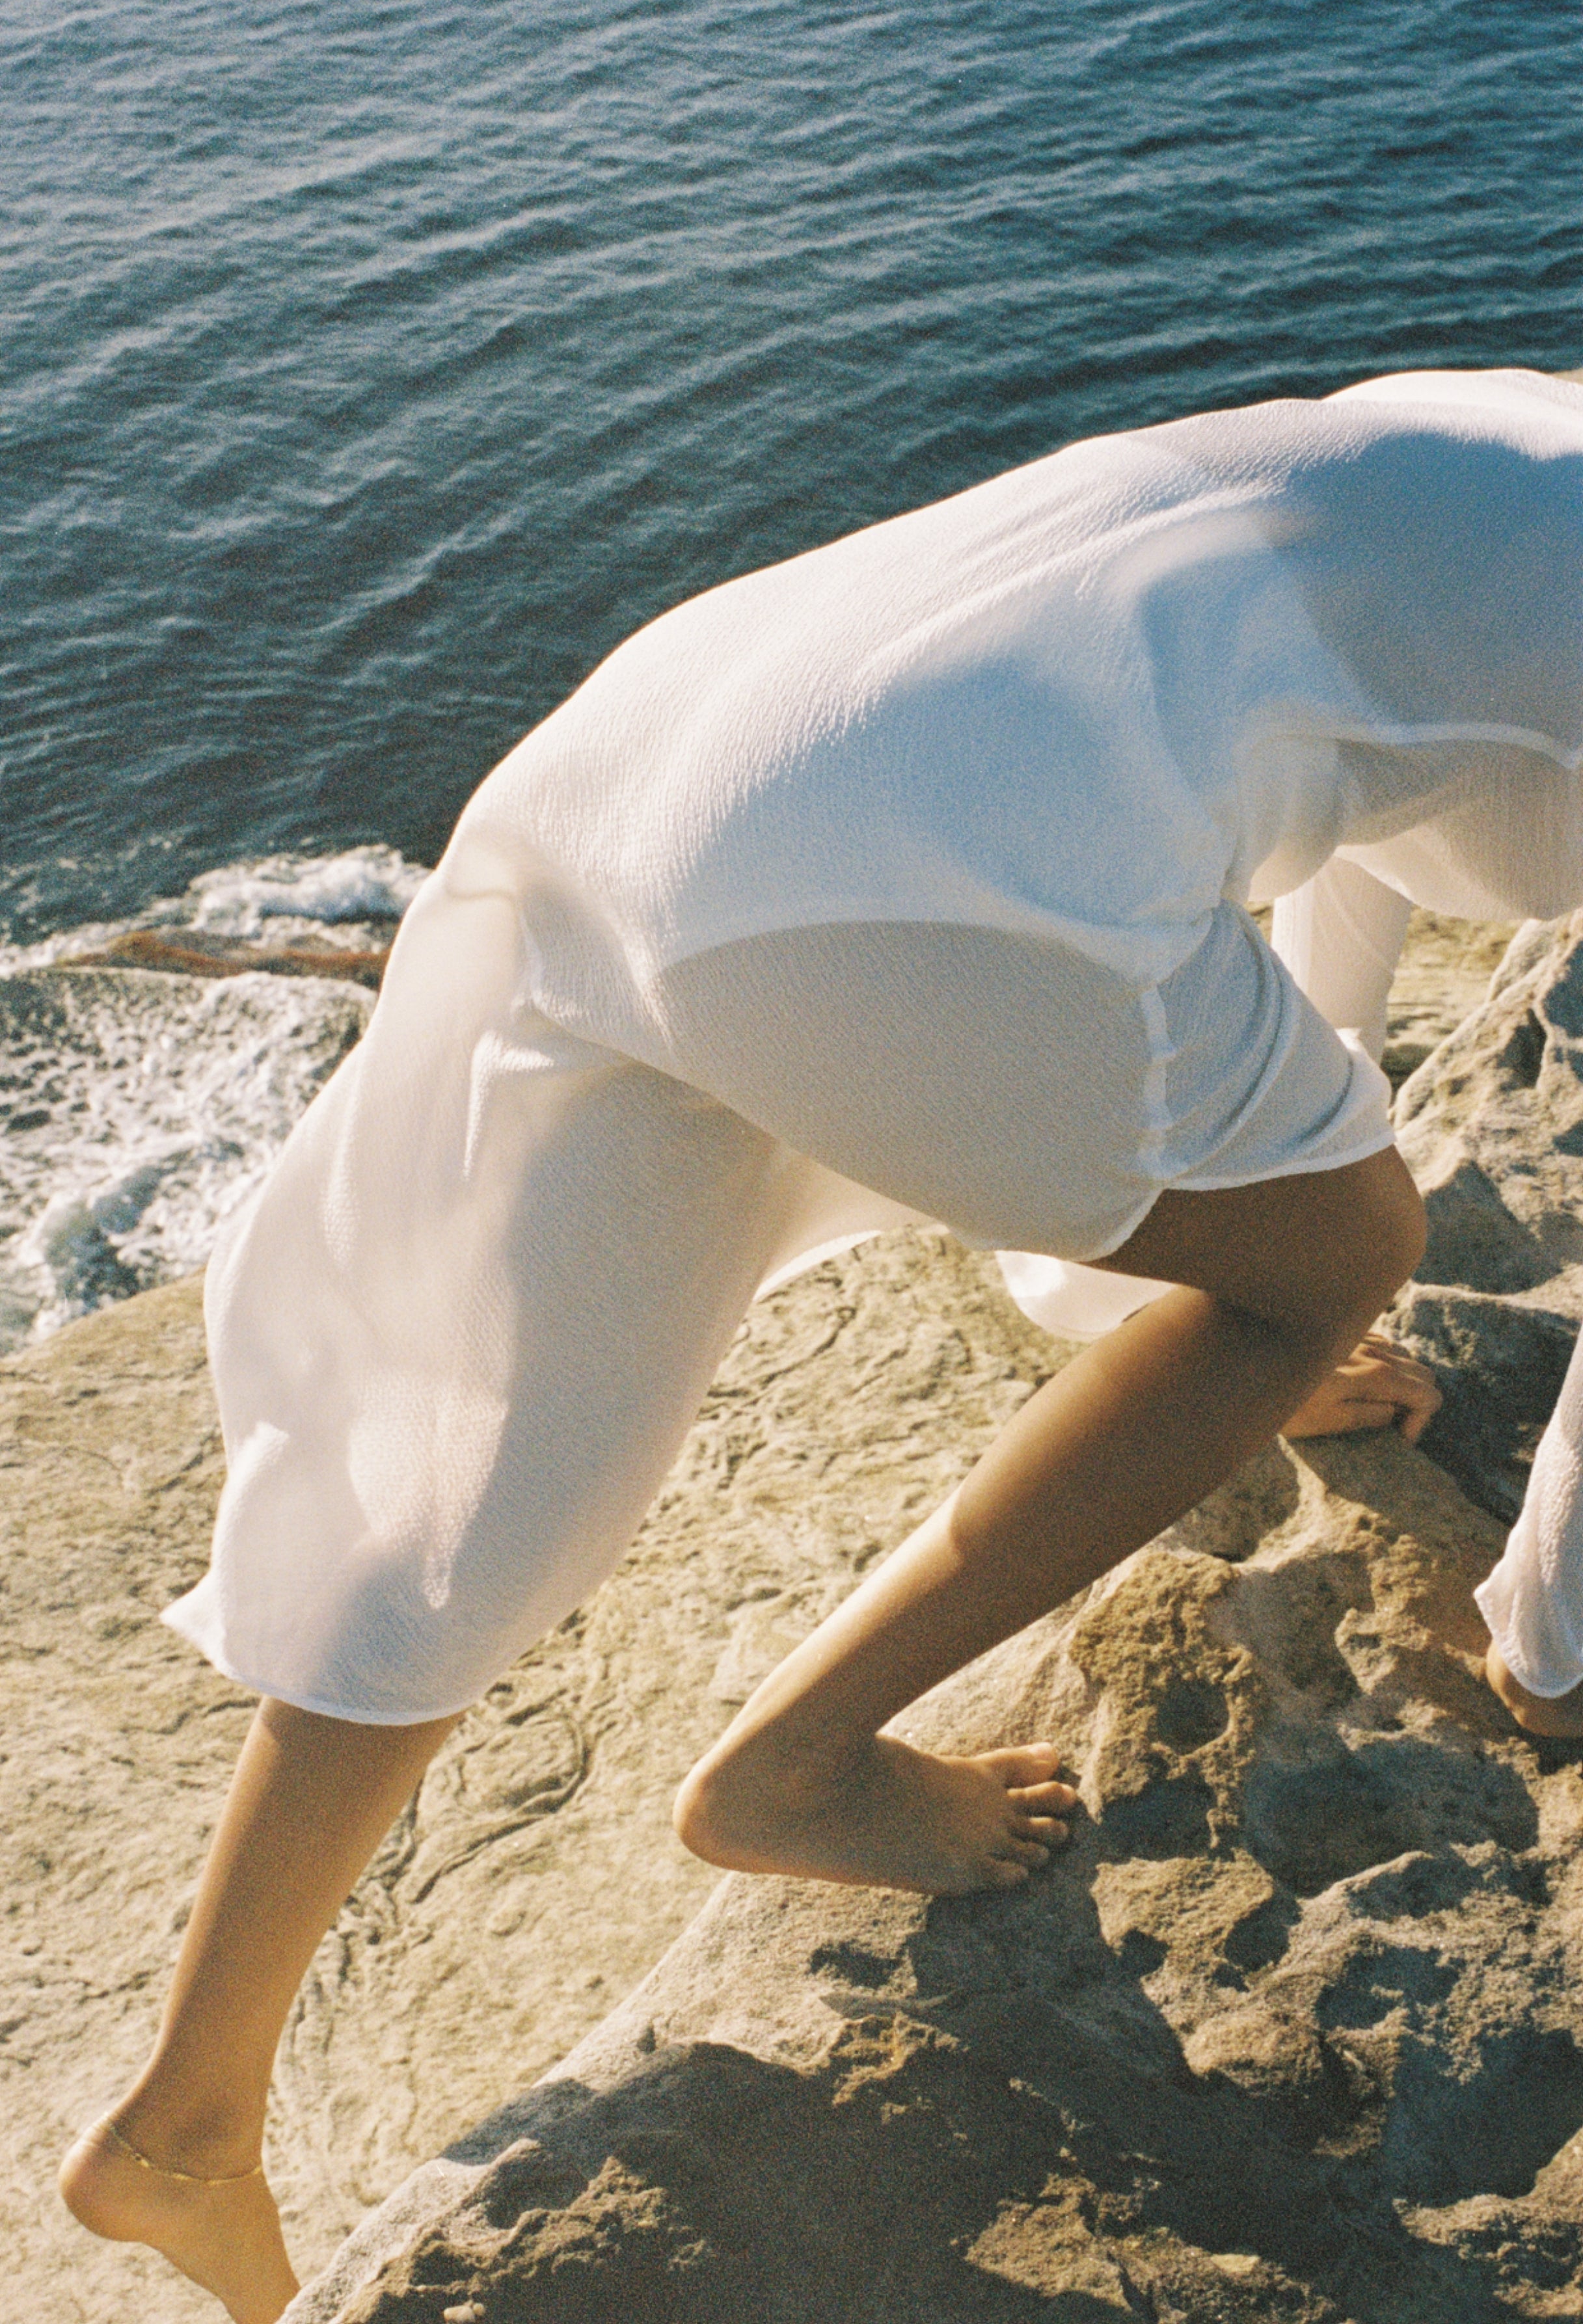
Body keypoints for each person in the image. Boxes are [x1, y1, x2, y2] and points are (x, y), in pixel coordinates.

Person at [59, 366, 1583, 2323]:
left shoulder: (1512, 427)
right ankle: (802, 1762)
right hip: (905, 869)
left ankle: (181, 2122)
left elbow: (1353, 801)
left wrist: (1256, 1217)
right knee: (1342, 1247)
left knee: (484, 1483)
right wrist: (1542, 1638)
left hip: (676, 745)